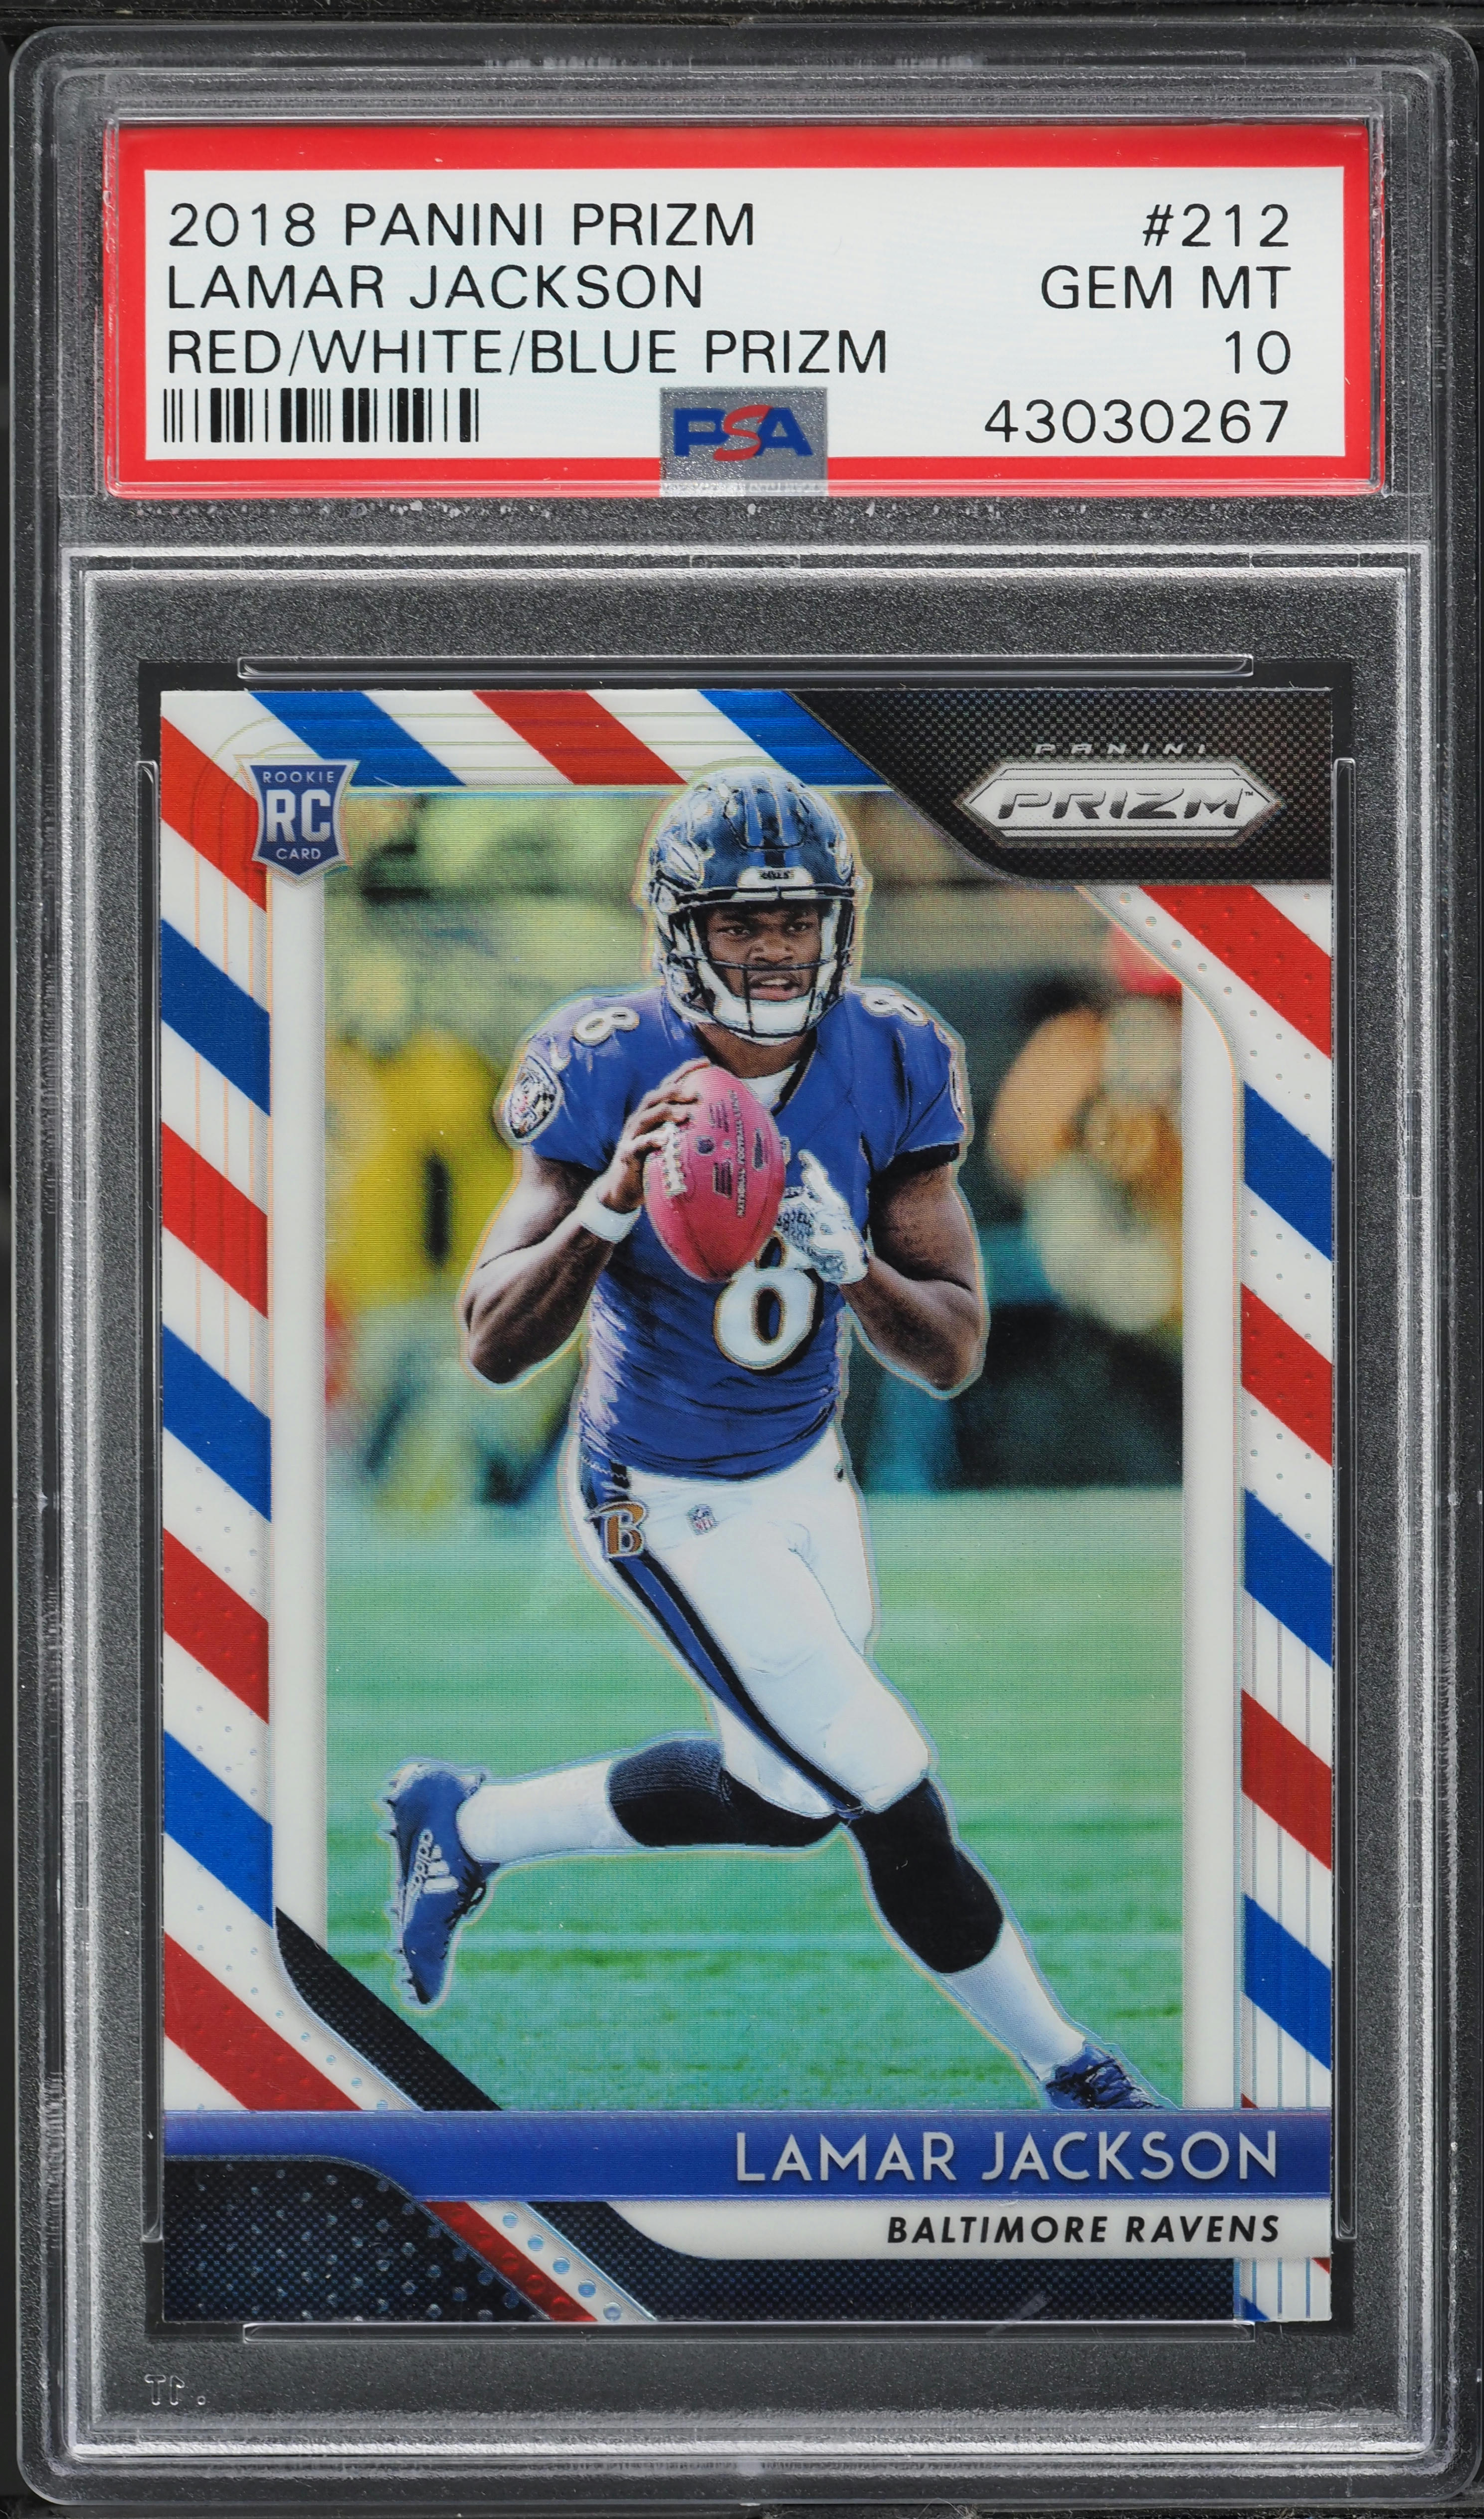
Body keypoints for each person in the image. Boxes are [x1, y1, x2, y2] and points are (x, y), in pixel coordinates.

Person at [382, 766, 1158, 2110]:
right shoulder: (603, 1059)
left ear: (839, 923)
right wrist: (605, 1209)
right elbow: (494, 1341)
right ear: (680, 929)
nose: (776, 949)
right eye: (742, 922)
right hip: (651, 1490)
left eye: (797, 919)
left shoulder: (894, 1052)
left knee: (790, 1795)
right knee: (884, 1777)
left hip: (804, 1471)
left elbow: (953, 1350)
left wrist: (855, 1267)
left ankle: (469, 1822)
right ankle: (1074, 2069)